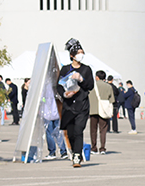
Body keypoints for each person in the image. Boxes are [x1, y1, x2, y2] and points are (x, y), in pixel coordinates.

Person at [56, 38, 94, 167]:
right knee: (70, 133)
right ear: (72, 55)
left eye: (82, 52)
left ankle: (77, 156)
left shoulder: (87, 69)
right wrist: (64, 94)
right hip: (68, 106)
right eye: (78, 53)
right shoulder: (65, 69)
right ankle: (74, 152)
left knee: (78, 130)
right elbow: (59, 85)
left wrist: (81, 79)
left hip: (82, 105)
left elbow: (90, 86)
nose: (81, 55)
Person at [89, 70, 114, 155]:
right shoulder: (108, 87)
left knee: (93, 130)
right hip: (104, 110)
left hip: (93, 110)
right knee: (103, 130)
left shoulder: (92, 86)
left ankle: (94, 147)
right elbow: (112, 100)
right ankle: (102, 148)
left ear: (97, 77)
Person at [42, 78, 67, 160]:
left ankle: (52, 152)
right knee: (58, 133)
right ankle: (63, 151)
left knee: (50, 133)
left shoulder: (44, 87)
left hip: (48, 114)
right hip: (56, 112)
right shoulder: (57, 86)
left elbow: (42, 99)